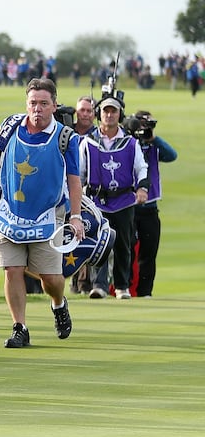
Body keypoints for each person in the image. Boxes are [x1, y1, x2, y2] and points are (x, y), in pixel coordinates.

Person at [0, 78, 83, 348]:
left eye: (43, 103)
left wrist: (75, 216)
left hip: (47, 215)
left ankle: (58, 303)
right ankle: (20, 327)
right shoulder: (9, 127)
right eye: (33, 103)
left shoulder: (65, 138)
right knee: (12, 269)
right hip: (10, 213)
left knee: (50, 278)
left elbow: (74, 179)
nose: (37, 109)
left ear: (54, 105)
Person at [79, 95, 149, 300]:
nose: (109, 115)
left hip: (124, 200)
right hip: (97, 201)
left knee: (123, 245)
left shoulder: (130, 143)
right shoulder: (88, 142)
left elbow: (141, 168)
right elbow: (81, 172)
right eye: (106, 111)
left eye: (113, 111)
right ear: (99, 114)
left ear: (120, 115)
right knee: (100, 243)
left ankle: (121, 286)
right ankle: (99, 285)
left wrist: (142, 188)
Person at [130, 111, 177, 297]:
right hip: (129, 206)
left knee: (148, 254)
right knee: (128, 251)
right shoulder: (127, 143)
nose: (144, 128)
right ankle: (125, 288)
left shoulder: (153, 145)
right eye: (141, 124)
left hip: (150, 207)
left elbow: (172, 155)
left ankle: (145, 292)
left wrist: (153, 139)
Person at [69, 96, 96, 295]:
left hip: (87, 193)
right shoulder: (67, 132)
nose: (85, 114)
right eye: (82, 110)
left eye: (89, 110)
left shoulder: (96, 136)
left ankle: (83, 283)